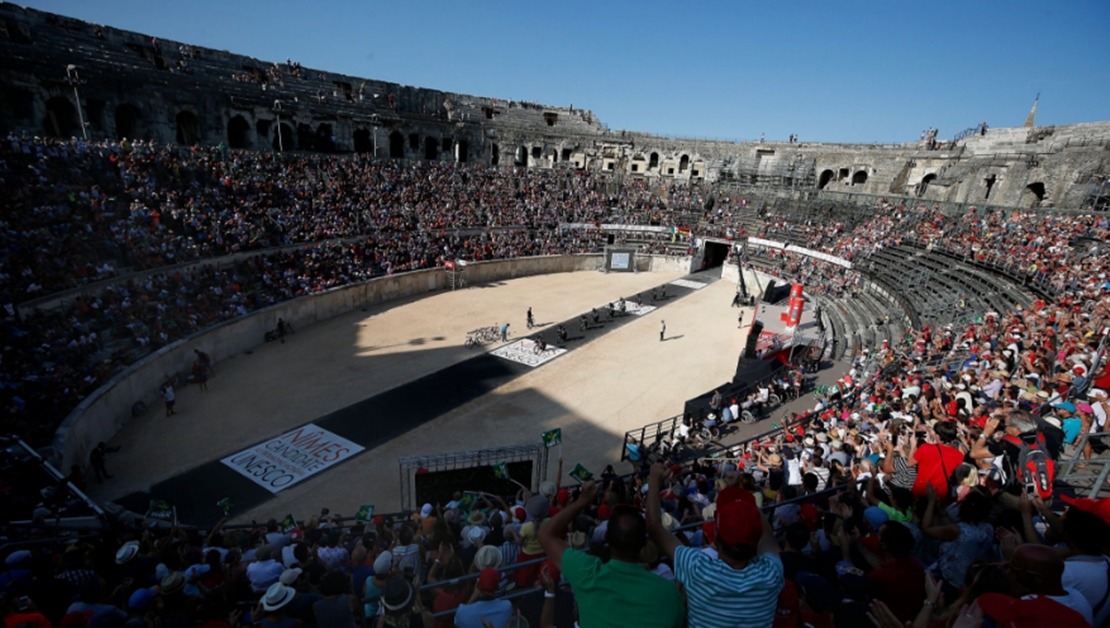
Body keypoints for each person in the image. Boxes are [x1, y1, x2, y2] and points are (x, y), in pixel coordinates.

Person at [646, 463, 783, 627]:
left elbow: (654, 526)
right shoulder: (771, 573)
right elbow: (768, 536)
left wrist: (654, 479)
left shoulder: (698, 569)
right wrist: (742, 494)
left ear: (715, 537)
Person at [538, 481, 685, 628]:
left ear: (607, 538)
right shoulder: (668, 593)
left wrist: (583, 500)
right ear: (643, 544)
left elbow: (545, 534)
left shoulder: (587, 573)